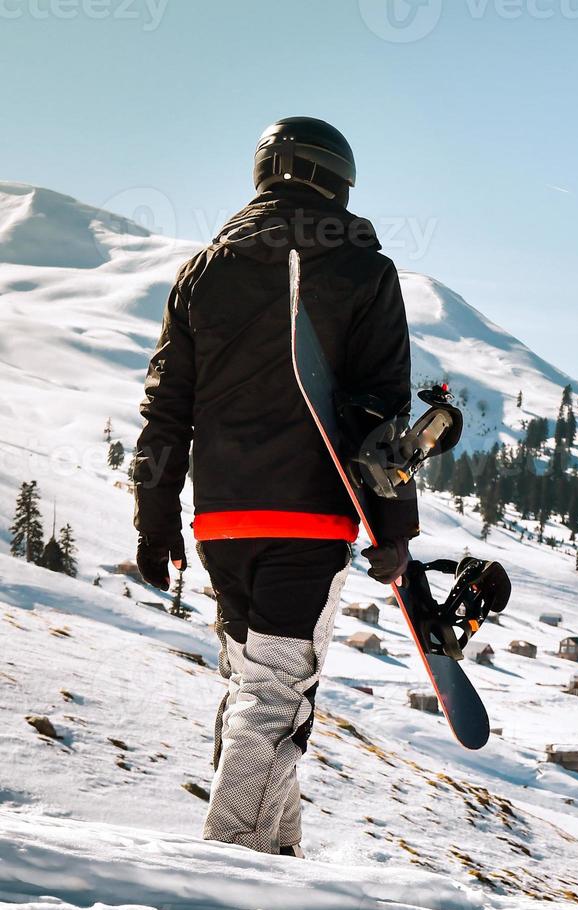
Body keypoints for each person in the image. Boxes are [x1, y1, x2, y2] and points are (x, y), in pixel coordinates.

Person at [132, 117, 415, 856]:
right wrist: (394, 533)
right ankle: (232, 867)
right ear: (337, 181)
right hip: (308, 525)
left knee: (259, 692)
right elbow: (382, 418)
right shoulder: (364, 273)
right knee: (275, 698)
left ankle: (277, 860)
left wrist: (154, 524)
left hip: (220, 524)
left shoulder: (204, 269)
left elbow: (167, 408)